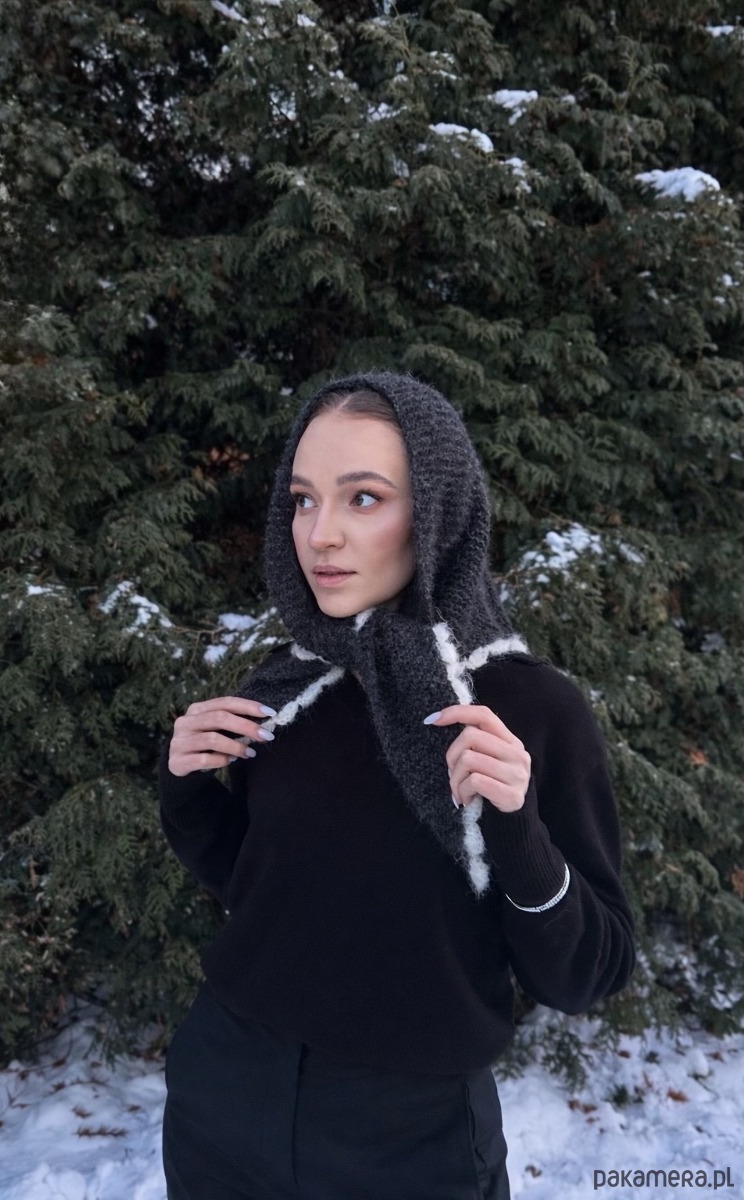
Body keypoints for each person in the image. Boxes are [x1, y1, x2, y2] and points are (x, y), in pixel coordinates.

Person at [159, 371, 636, 1200]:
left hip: (410, 1140)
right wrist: (192, 789)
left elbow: (589, 972)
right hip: (225, 1099)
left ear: (439, 512)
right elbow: (254, 887)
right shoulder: (291, 681)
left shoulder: (528, 710)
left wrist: (519, 833)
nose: (321, 535)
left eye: (364, 498)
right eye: (303, 500)